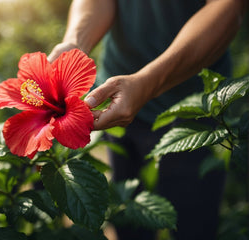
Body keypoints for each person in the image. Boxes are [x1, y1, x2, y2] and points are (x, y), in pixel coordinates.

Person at [48, 0, 248, 239]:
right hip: (116, 90)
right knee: (128, 221)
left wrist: (148, 82)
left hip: (194, 108)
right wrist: (75, 45)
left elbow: (229, 8)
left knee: (194, 224)